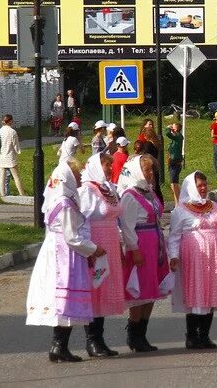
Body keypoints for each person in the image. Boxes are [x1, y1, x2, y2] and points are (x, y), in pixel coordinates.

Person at [26, 160, 107, 363]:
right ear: (67, 177)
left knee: (64, 300)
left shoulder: (59, 199)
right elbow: (71, 237)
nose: (79, 177)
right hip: (65, 254)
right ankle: (58, 346)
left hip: (58, 251)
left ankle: (59, 345)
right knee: (65, 299)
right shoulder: (66, 204)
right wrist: (93, 249)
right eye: (76, 174)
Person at [168, 172, 217, 349]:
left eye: (205, 185)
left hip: (216, 257)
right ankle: (191, 336)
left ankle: (204, 335)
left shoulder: (214, 206)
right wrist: (173, 256)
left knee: (212, 291)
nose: (204, 188)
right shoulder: (181, 210)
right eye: (199, 186)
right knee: (195, 293)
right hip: (193, 259)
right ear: (191, 187)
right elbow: (174, 236)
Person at [118, 154, 170, 352]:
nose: (150, 174)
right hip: (141, 244)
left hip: (155, 243)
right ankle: (133, 334)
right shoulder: (130, 196)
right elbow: (127, 227)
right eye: (146, 170)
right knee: (139, 291)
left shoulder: (149, 192)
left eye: (151, 170)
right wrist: (135, 250)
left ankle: (142, 334)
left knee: (151, 290)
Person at [77, 153, 124, 357]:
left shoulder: (109, 189)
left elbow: (116, 219)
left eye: (111, 165)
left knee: (104, 289)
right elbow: (82, 220)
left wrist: (120, 244)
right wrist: (89, 249)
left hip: (110, 243)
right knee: (94, 290)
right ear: (96, 166)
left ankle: (100, 339)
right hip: (96, 243)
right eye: (106, 165)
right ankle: (92, 340)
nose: (110, 168)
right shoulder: (87, 191)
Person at [0, 114, 25, 197]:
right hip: (10, 156)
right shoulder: (12, 131)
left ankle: (2, 194)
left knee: (2, 177)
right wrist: (18, 152)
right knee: (16, 177)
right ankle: (22, 194)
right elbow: (15, 145)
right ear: (10, 121)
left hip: (1, 156)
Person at [164, 123, 184, 204]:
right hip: (172, 162)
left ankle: (178, 203)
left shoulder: (178, 136)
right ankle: (177, 203)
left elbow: (167, 133)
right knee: (174, 184)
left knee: (174, 184)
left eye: (173, 126)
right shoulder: (175, 138)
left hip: (175, 162)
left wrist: (168, 127)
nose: (172, 127)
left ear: (176, 129)